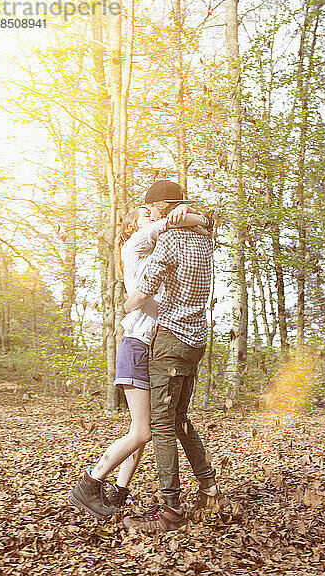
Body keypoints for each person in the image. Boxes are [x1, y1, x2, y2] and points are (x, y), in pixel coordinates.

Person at [69, 203, 209, 520]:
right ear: (134, 226)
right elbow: (164, 227)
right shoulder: (134, 245)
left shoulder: (158, 256)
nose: (153, 217)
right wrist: (191, 215)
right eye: (145, 214)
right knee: (144, 432)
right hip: (136, 346)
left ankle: (118, 493)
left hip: (152, 348)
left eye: (154, 213)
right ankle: (89, 484)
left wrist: (191, 219)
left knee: (144, 429)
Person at [122, 180, 228, 534]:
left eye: (151, 208)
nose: (148, 213)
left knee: (163, 425)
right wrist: (197, 218)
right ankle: (210, 488)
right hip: (197, 341)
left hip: (169, 342)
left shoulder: (167, 241)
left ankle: (171, 510)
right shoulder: (205, 240)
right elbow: (207, 223)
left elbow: (142, 293)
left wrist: (125, 305)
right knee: (180, 418)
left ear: (160, 207)